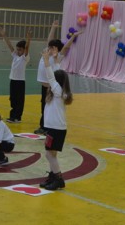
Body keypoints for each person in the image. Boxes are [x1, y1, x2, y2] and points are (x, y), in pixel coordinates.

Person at [34, 20, 82, 134]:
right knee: (44, 106)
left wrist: (73, 37)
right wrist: (53, 27)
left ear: (57, 49)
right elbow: (49, 40)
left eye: (54, 48)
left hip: (51, 88)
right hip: (44, 87)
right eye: (50, 47)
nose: (51, 49)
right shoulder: (46, 52)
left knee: (48, 107)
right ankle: (44, 126)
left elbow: (66, 47)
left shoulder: (58, 57)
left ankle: (46, 127)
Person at [39, 49, 73, 190]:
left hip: (55, 128)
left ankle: (58, 178)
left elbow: (52, 76)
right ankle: (53, 176)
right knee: (52, 154)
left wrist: (47, 61)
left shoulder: (57, 90)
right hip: (57, 128)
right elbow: (59, 75)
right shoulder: (61, 90)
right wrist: (56, 61)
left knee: (48, 154)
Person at [0, 27, 31, 123]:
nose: (17, 51)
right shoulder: (15, 56)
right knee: (12, 99)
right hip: (12, 80)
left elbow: (27, 48)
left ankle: (18, 117)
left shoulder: (25, 58)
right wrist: (4, 35)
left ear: (23, 50)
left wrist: (28, 39)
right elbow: (9, 45)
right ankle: (12, 116)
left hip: (20, 81)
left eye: (20, 50)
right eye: (17, 49)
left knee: (19, 100)